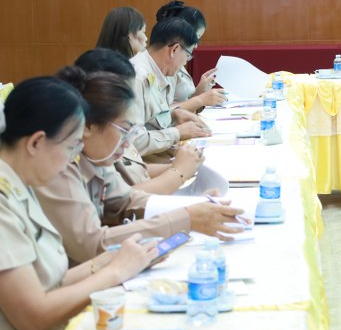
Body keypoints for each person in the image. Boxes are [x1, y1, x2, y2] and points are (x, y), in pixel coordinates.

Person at [35, 67, 244, 265]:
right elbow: (92, 244)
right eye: (124, 131)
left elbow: (126, 200)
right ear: (89, 126)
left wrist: (194, 205)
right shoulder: (60, 166)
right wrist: (186, 217)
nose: (128, 144)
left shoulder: (96, 156)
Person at [0, 77, 157, 330]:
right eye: (72, 148)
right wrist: (115, 272)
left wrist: (105, 262)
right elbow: (32, 316)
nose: (72, 160)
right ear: (36, 142)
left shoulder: (22, 181)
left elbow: (49, 283)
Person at [75, 48, 205, 193]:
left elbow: (135, 170)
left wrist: (182, 166)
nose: (131, 100)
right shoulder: (87, 151)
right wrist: (178, 172)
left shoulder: (110, 131)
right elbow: (125, 200)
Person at [129, 17, 210, 162]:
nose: (185, 62)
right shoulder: (137, 77)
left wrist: (174, 115)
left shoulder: (154, 70)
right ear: (174, 49)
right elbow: (133, 141)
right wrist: (177, 132)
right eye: (188, 55)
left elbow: (150, 122)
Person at [154, 0, 224, 111]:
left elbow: (183, 103)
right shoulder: (168, 63)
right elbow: (163, 114)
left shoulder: (178, 57)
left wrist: (200, 91)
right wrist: (200, 99)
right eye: (196, 38)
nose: (196, 45)